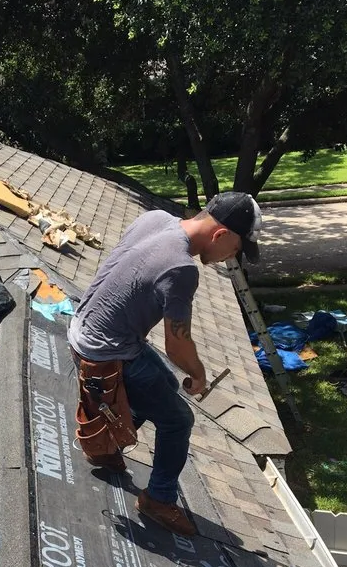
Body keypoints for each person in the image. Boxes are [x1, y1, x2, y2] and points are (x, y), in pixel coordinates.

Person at [68, 192, 262, 537]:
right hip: (107, 353)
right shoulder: (182, 269)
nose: (231, 258)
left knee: (165, 385)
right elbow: (177, 344)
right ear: (221, 235)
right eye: (236, 250)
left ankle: (106, 446)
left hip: (81, 329)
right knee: (178, 420)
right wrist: (199, 374)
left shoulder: (155, 219)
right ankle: (158, 500)